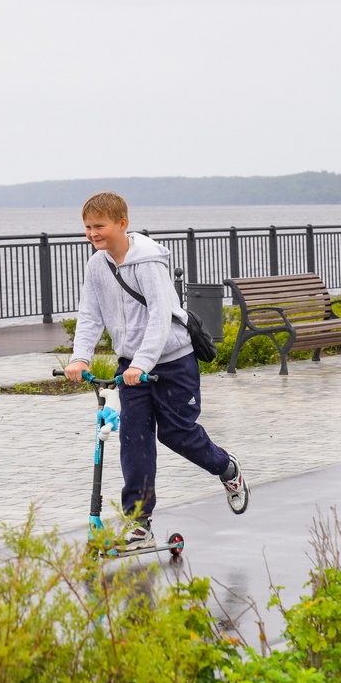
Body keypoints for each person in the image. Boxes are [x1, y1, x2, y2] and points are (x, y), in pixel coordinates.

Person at [65, 191, 249, 548]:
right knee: (133, 440)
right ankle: (139, 523)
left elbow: (160, 317)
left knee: (177, 434)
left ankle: (227, 468)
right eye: (87, 227)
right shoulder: (97, 265)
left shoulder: (148, 262)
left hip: (173, 361)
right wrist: (80, 357)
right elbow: (90, 314)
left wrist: (142, 363)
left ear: (122, 223)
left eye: (99, 226)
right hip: (131, 367)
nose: (92, 234)